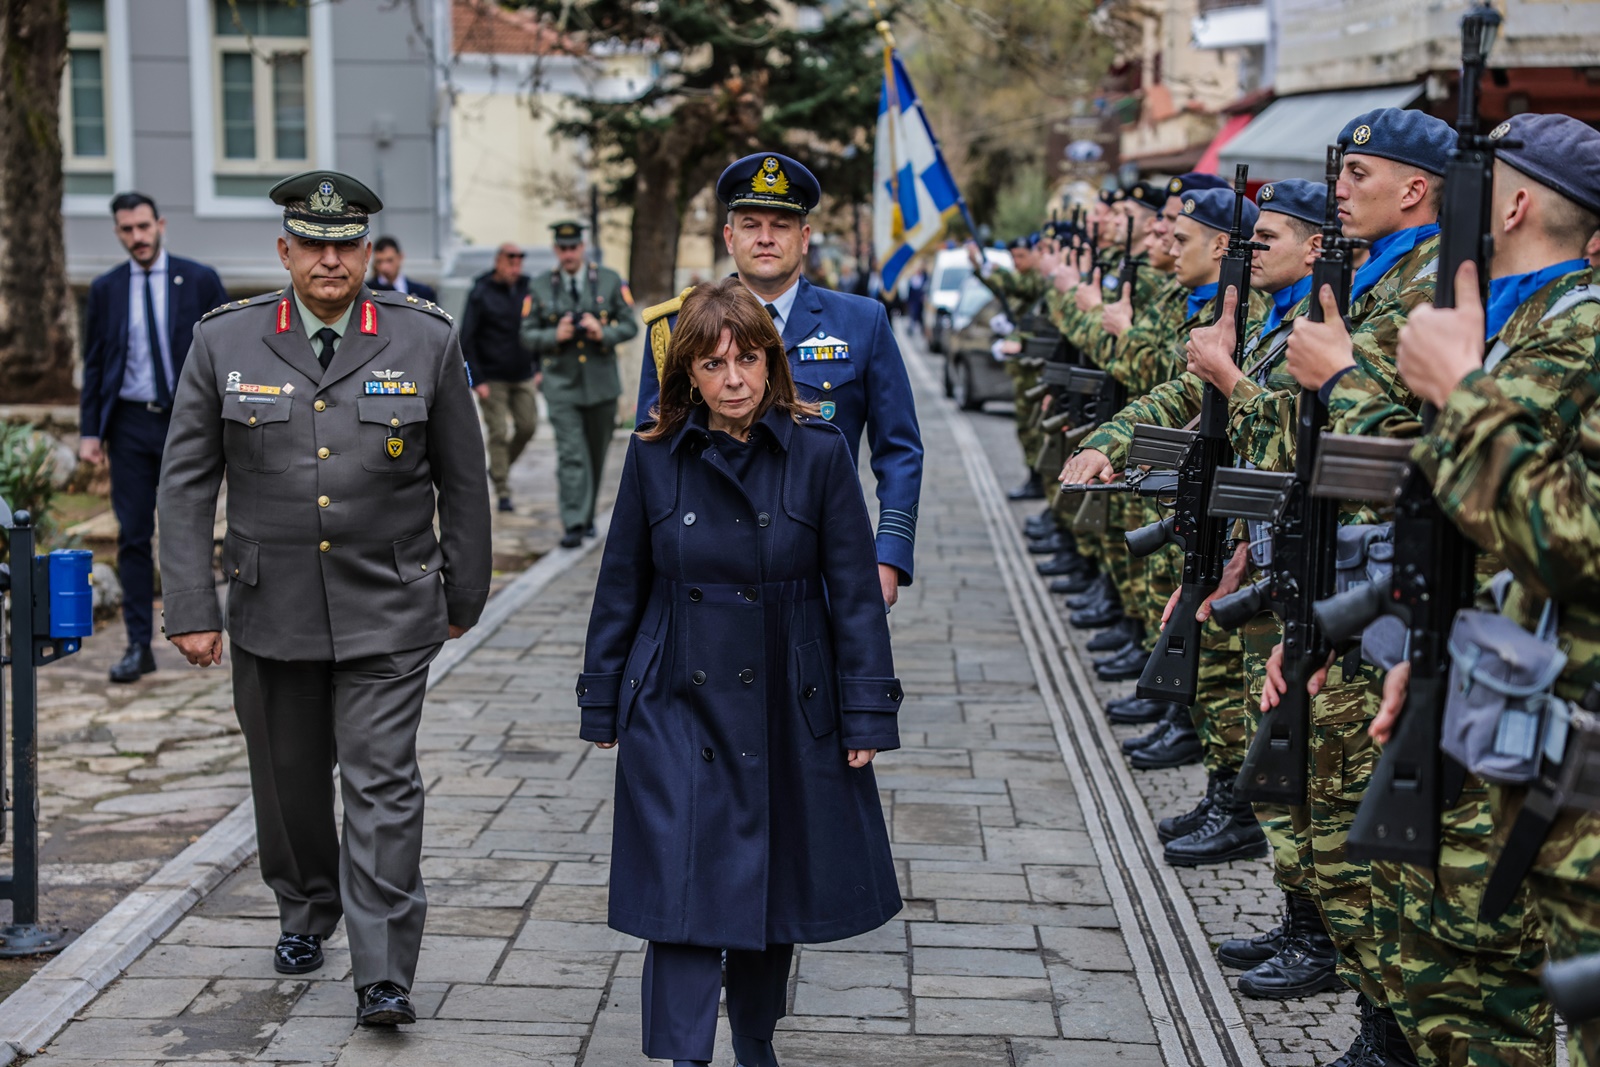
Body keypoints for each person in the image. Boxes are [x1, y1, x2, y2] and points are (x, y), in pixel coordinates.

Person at [155, 170, 492, 1029]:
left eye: (348, 244)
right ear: (286, 252)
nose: (333, 259)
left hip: (390, 605)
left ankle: (383, 970)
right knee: (290, 783)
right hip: (272, 610)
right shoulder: (224, 342)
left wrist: (467, 589)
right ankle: (306, 908)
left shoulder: (424, 339)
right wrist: (191, 604)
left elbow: (464, 477)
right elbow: (186, 484)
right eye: (315, 244)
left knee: (382, 785)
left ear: (369, 252)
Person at [578, 277, 902, 1067]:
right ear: (687, 371)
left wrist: (865, 713)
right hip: (672, 693)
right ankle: (686, 1052)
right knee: (679, 883)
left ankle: (755, 1038)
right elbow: (621, 579)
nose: (733, 379)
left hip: (787, 693)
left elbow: (855, 592)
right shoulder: (654, 455)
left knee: (771, 880)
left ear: (772, 363)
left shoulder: (819, 451)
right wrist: (602, 701)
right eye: (714, 363)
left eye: (748, 359)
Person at [637, 153, 923, 607]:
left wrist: (888, 555)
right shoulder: (678, 327)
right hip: (708, 573)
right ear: (730, 238)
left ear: (804, 237)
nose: (766, 238)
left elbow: (900, 449)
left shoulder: (861, 323)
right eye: (751, 224)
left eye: (782, 225)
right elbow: (652, 453)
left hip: (826, 568)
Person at [79, 191, 226, 684]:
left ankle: (208, 628)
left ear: (160, 224)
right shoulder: (105, 289)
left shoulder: (199, 279)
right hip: (129, 424)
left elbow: (226, 354)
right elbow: (96, 362)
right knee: (134, 537)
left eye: (143, 227)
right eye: (127, 230)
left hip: (189, 421)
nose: (137, 238)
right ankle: (138, 645)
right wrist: (89, 432)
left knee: (192, 527)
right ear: (118, 232)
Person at [520, 221, 638, 546]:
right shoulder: (541, 285)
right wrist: (553, 335)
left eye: (574, 247)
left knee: (596, 454)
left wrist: (603, 332)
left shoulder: (610, 280)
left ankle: (586, 517)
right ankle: (573, 522)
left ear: (582, 247)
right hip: (561, 384)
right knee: (572, 454)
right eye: (563, 248)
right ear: (556, 250)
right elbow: (527, 333)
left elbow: (630, 325)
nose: (569, 253)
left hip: (601, 383)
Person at [462, 243, 537, 513]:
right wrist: (476, 379)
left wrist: (537, 367)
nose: (515, 267)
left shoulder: (529, 288)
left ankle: (497, 468)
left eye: (519, 262)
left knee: (528, 426)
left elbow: (537, 328)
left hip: (522, 374)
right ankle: (503, 490)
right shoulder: (481, 291)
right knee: (498, 432)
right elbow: (466, 339)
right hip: (491, 377)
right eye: (510, 261)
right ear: (498, 262)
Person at [368, 235, 436, 302]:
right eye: (379, 262)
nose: (384, 267)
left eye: (389, 260)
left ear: (400, 257)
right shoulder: (367, 292)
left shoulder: (423, 292)